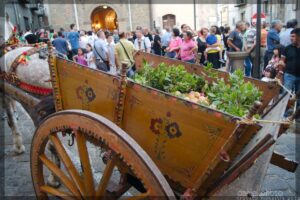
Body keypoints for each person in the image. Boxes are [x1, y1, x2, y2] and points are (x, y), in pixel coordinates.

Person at [281, 28, 300, 108]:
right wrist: (280, 72)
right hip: (289, 75)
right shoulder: (287, 48)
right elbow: (282, 61)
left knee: (299, 97)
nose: (291, 38)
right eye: (290, 36)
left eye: (293, 36)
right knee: (285, 95)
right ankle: (284, 113)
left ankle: (297, 115)